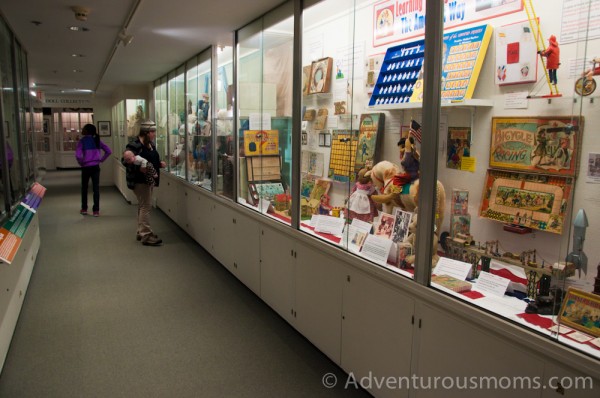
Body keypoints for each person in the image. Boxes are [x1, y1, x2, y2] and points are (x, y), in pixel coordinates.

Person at [124, 120, 166, 246]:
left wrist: (159, 164)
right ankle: (146, 235)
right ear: (146, 132)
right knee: (146, 206)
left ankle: (140, 231)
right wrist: (139, 168)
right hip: (140, 181)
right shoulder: (134, 145)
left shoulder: (149, 144)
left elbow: (150, 159)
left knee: (143, 206)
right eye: (152, 132)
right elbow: (125, 160)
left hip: (148, 180)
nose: (154, 134)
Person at [75, 123, 112, 216]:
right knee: (96, 189)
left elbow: (78, 155)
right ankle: (96, 211)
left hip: (85, 167)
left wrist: (81, 162)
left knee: (84, 188)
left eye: (84, 128)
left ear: (87, 131)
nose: (82, 130)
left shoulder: (82, 141)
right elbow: (108, 151)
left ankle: (84, 209)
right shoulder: (97, 140)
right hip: (95, 167)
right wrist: (101, 160)